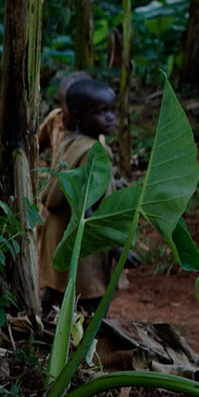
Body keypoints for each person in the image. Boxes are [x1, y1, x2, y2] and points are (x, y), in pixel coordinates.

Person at [37, 74, 128, 312]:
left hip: (59, 231)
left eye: (112, 110)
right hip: (82, 240)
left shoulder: (71, 142)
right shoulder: (94, 151)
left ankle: (35, 326)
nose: (110, 117)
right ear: (76, 116)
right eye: (100, 111)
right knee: (92, 302)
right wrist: (116, 247)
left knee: (58, 291)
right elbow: (88, 206)